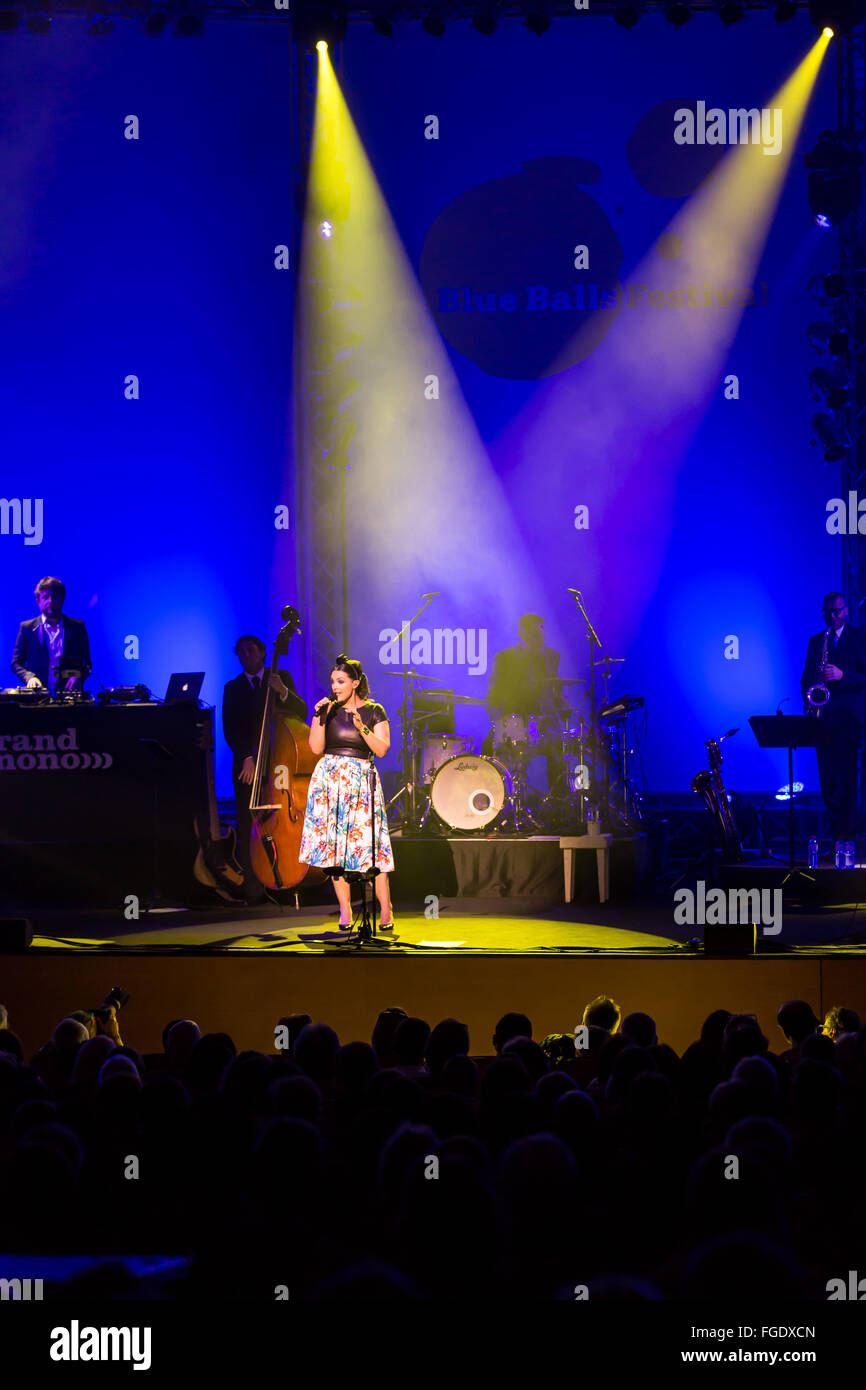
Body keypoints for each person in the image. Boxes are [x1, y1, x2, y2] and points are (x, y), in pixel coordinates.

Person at [300, 654, 395, 931]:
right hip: (330, 779)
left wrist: (360, 726)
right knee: (335, 851)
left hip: (360, 779)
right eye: (332, 681)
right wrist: (318, 716)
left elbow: (381, 749)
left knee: (371, 849)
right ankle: (344, 909)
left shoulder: (374, 710)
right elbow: (316, 748)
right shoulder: (327, 710)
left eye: (340, 681)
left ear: (355, 683)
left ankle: (385, 908)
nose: (335, 686)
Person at [222, 635, 308, 901]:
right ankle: (253, 886)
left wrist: (282, 691)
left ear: (262, 652)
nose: (246, 655)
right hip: (247, 764)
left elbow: (302, 711)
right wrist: (247, 755)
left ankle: (286, 878)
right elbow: (230, 728)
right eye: (241, 652)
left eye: (251, 650)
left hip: (279, 763)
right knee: (249, 822)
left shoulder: (280, 676)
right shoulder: (233, 687)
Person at [800, 592, 866, 849]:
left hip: (850, 719)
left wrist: (842, 675)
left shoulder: (861, 639)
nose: (833, 616)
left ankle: (847, 838)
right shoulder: (817, 640)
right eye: (827, 612)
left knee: (848, 780)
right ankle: (837, 836)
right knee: (827, 782)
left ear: (846, 610)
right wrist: (808, 698)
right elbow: (807, 676)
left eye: (837, 611)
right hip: (823, 718)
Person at [485, 613, 569, 796]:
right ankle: (499, 801)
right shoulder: (504, 658)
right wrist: (498, 722)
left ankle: (560, 806)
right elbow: (491, 696)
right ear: (522, 634)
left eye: (542, 636)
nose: (540, 640)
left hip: (547, 721)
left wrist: (563, 706)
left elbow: (555, 691)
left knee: (560, 759)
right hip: (517, 720)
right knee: (488, 748)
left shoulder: (552, 656)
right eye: (535, 636)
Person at [12, 576, 92, 692]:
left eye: (55, 596)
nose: (50, 601)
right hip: (37, 698)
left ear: (62, 599)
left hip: (70, 698)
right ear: (38, 601)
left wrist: (78, 676)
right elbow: (16, 663)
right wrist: (29, 677)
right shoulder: (27, 628)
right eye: (46, 597)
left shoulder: (77, 627)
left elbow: (87, 663)